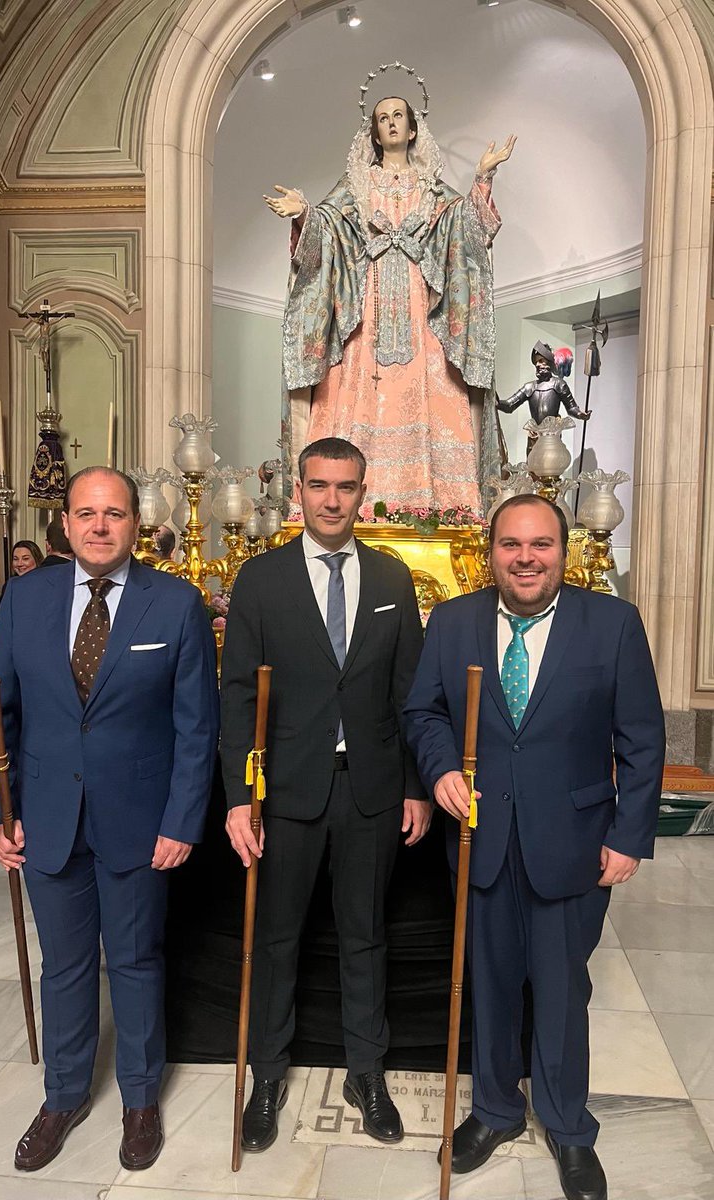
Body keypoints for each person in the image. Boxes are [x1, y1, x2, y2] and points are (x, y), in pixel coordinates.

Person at [403, 494, 665, 1200]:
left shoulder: (612, 624)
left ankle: (568, 1126)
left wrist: (629, 835)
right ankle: (493, 1111)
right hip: (480, 840)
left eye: (540, 545)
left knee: (560, 991)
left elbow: (641, 738)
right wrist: (441, 769)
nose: (525, 558)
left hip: (575, 843)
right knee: (488, 987)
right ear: (489, 553)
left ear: (563, 550)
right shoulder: (454, 623)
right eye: (511, 545)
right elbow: (424, 710)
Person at [0, 467, 219, 1173]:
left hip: (140, 823)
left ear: (136, 524)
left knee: (137, 963)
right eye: (86, 513)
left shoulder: (175, 604)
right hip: (46, 817)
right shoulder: (26, 597)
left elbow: (195, 729)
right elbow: (1, 714)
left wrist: (181, 821)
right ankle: (63, 1095)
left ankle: (141, 1100)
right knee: (65, 967)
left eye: (113, 513)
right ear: (67, 525)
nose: (99, 525)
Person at [221, 436, 431, 1151]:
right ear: (299, 493)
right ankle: (269, 1075)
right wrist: (239, 797)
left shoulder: (393, 579)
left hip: (371, 790)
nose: (332, 500)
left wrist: (415, 786)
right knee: (277, 939)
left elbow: (410, 693)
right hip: (284, 792)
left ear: (361, 493)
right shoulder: (260, 579)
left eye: (345, 487)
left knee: (365, 936)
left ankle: (365, 1073)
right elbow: (239, 696)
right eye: (319, 486)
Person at [267, 78, 514, 516]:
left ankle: (442, 505)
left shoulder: (434, 188)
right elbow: (330, 227)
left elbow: (469, 229)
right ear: (374, 132)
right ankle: (350, 503)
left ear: (413, 128)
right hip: (367, 312)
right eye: (383, 118)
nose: (391, 123)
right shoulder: (357, 186)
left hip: (423, 313)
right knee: (353, 394)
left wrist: (483, 178)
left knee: (436, 388)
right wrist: (305, 212)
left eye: (398, 115)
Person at [497, 341, 590, 455]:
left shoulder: (559, 384)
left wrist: (581, 414)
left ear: (549, 362)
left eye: (541, 361)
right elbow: (510, 405)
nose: (537, 364)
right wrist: (497, 403)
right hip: (534, 435)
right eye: (536, 362)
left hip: (552, 436)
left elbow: (571, 408)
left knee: (552, 468)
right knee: (533, 468)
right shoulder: (529, 387)